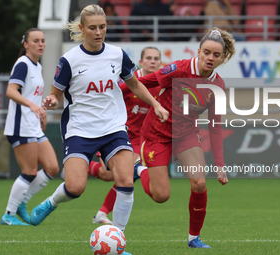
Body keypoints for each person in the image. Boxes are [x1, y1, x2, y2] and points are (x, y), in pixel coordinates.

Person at [29, 5, 168, 255]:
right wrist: (50, 101)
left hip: (114, 127)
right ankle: (51, 202)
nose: (98, 32)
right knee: (76, 188)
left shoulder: (118, 54)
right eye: (92, 28)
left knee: (125, 180)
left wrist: (155, 103)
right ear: (82, 29)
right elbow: (56, 94)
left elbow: (135, 85)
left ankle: (118, 240)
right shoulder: (69, 60)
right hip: (80, 129)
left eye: (102, 27)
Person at [129, 27, 235, 248]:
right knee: (161, 196)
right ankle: (139, 168)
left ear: (222, 58)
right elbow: (148, 81)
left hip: (186, 135)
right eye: (206, 52)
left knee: (198, 183)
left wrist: (220, 165)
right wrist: (114, 89)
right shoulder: (179, 68)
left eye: (216, 55)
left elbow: (215, 126)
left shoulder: (217, 85)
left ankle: (193, 238)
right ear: (198, 52)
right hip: (157, 133)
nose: (210, 57)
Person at [89, 46, 162, 224]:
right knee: (109, 175)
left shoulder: (160, 86)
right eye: (149, 58)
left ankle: (102, 213)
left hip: (139, 139)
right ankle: (83, 165)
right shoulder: (133, 82)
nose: (153, 61)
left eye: (156, 59)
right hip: (117, 132)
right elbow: (111, 96)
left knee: (126, 176)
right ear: (141, 62)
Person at [1, 28, 60, 226]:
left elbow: (32, 96)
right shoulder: (23, 64)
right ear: (25, 44)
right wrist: (32, 106)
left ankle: (21, 203)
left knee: (52, 167)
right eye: (36, 41)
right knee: (30, 171)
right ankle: (8, 215)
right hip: (20, 126)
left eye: (43, 40)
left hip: (33, 125)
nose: (41, 44)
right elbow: (11, 91)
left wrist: (41, 111)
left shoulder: (37, 66)